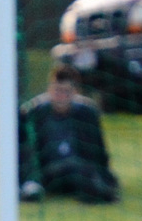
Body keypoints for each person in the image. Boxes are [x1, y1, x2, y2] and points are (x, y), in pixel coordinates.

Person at [18, 64, 119, 204]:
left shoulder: (87, 113)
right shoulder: (33, 112)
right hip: (47, 173)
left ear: (75, 92)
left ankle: (97, 190)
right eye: (57, 91)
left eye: (66, 91)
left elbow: (99, 153)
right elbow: (24, 150)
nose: (61, 96)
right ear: (50, 90)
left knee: (82, 172)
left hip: (79, 171)